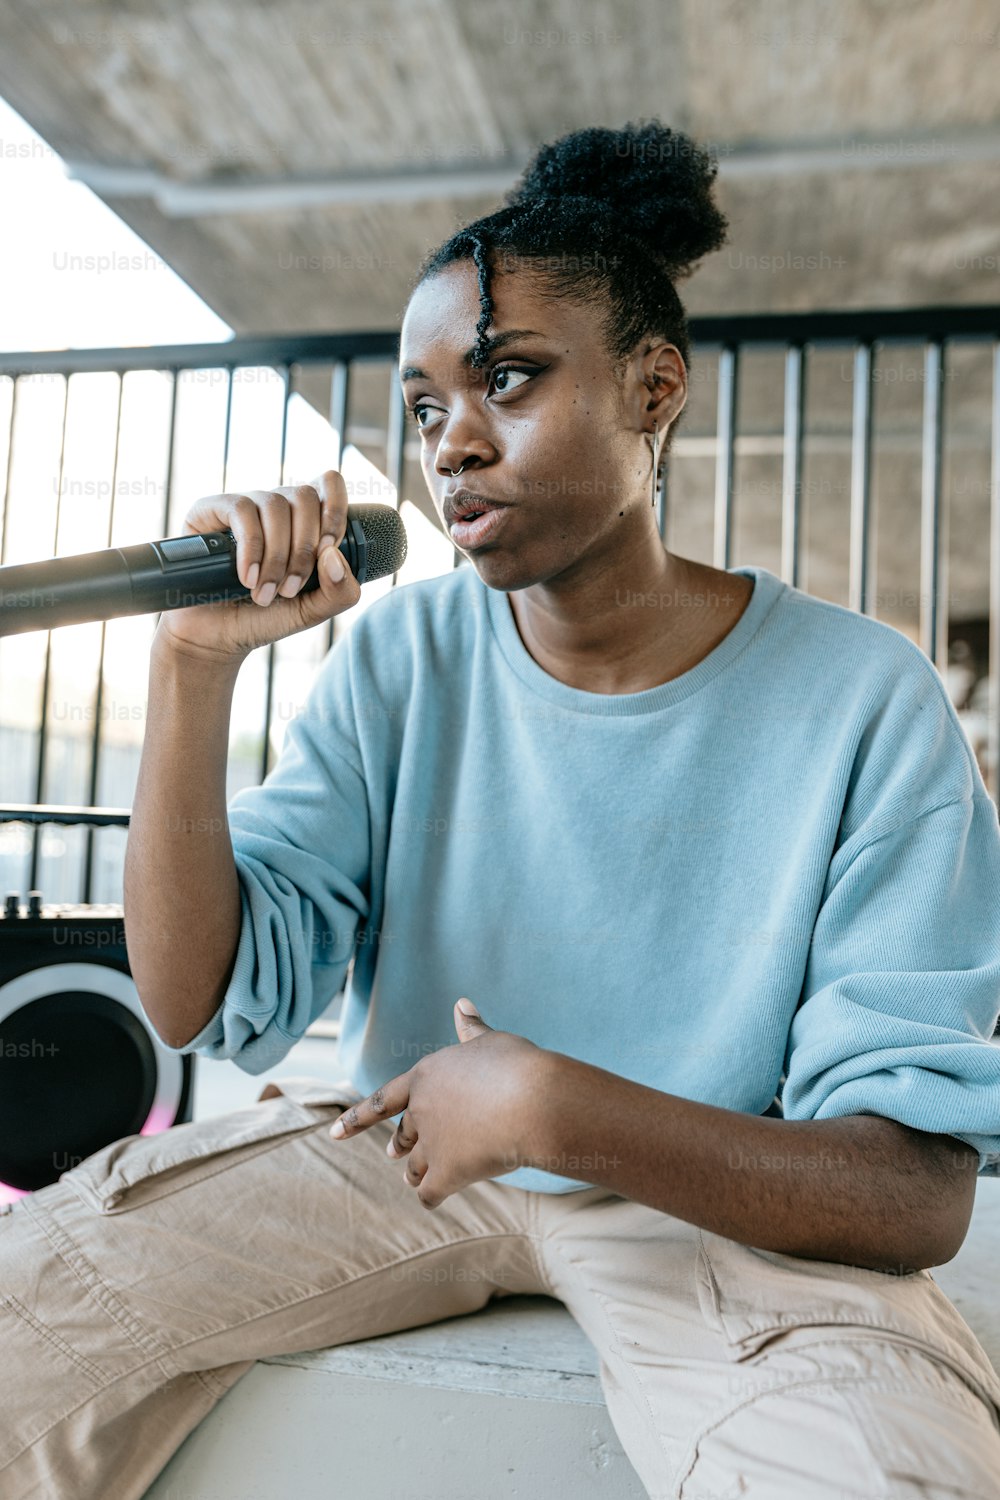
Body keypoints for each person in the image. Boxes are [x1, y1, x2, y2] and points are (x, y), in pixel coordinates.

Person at [3, 118, 1000, 1500]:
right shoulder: (400, 664)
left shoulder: (866, 700)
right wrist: (192, 671)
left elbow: (912, 1195)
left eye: (509, 380)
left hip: (713, 1201)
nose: (453, 443)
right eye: (423, 408)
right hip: (400, 1158)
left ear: (655, 389)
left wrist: (547, 1104)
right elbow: (194, 1002)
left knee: (883, 1471)